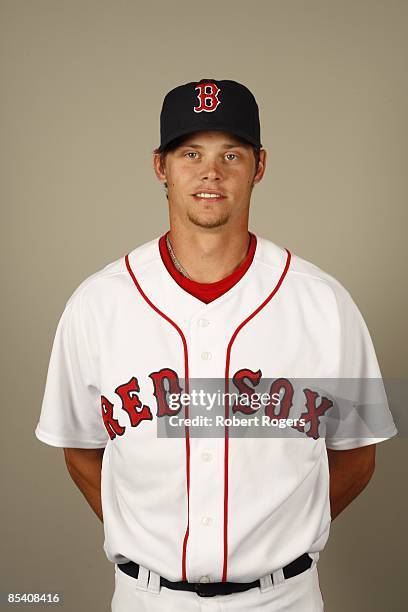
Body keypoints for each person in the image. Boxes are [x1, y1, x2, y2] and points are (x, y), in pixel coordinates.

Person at [35, 78, 398, 611]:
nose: (211, 172)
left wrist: (279, 535)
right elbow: (78, 447)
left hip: (283, 600)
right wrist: (147, 540)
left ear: (260, 165)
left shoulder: (324, 303)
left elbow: (359, 457)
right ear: (161, 166)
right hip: (146, 600)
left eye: (232, 153)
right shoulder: (98, 303)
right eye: (190, 153)